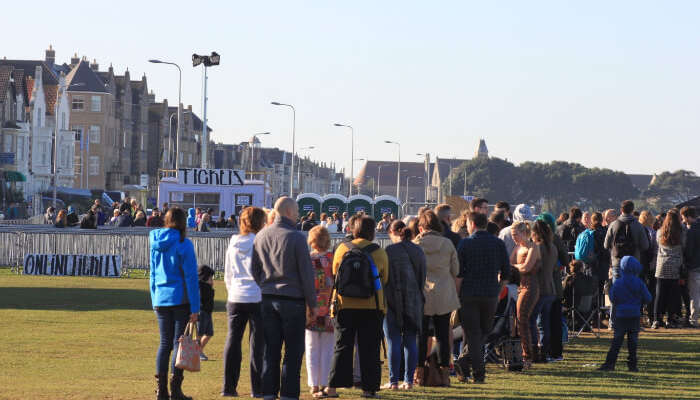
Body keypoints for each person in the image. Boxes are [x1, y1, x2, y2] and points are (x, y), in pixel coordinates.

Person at [252, 197, 317, 400]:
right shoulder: (297, 238)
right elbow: (307, 274)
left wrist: (264, 285)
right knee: (293, 352)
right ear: (289, 212)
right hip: (293, 300)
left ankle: (269, 393)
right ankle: (288, 394)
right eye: (296, 211)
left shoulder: (261, 236)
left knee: (270, 351)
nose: (298, 215)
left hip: (267, 298)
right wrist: (312, 304)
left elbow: (254, 270)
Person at [327, 216, 388, 398]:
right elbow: (384, 278)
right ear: (372, 231)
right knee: (369, 348)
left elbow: (335, 272)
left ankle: (332, 388)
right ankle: (369, 389)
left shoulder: (342, 249)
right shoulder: (379, 252)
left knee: (342, 346)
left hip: (344, 304)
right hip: (372, 305)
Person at [149, 207, 200, 400]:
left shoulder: (155, 240)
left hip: (161, 298)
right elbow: (191, 278)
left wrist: (154, 298)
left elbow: (153, 273)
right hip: (180, 299)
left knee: (164, 344)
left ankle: (161, 390)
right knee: (179, 343)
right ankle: (175, 389)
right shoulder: (184, 244)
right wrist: (195, 308)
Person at [456, 211, 510, 383]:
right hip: (490, 294)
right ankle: (473, 370)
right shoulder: (498, 244)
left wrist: (457, 295)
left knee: (473, 334)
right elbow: (506, 272)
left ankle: (467, 364)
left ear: (471, 224)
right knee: (484, 332)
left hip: (469, 293)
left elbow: (459, 274)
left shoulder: (465, 244)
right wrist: (498, 288)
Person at [222, 207, 266, 397]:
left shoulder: (233, 243)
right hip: (257, 295)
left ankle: (229, 387)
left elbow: (227, 274)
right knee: (257, 345)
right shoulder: (260, 242)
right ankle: (257, 388)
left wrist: (232, 290)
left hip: (236, 295)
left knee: (233, 340)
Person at [413, 210, 460, 387]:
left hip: (422, 294)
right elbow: (456, 270)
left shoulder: (416, 244)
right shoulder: (447, 244)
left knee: (421, 335)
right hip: (444, 294)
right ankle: (444, 375)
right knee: (442, 336)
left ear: (421, 227)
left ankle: (419, 373)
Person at [382, 220, 426, 390]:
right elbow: (422, 276)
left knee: (393, 340)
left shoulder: (389, 251)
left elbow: (384, 276)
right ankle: (408, 381)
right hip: (413, 300)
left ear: (394, 233)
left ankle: (393, 381)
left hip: (391, 300)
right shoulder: (418, 250)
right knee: (410, 341)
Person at [598, 256, 652, 372]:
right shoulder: (639, 283)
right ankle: (632, 365)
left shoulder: (618, 283)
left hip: (621, 316)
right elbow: (648, 298)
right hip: (634, 315)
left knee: (617, 341)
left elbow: (612, 297)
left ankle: (610, 363)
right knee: (633, 342)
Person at [304, 226, 337, 398]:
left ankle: (313, 384)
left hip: (311, 308)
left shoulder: (308, 260)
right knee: (328, 348)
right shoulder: (333, 259)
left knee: (311, 348)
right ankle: (325, 382)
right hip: (330, 309)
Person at [536, 212, 569, 362]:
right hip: (554, 285)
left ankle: (547, 351)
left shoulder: (539, 241)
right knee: (554, 320)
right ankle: (555, 352)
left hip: (545, 285)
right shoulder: (556, 239)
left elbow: (564, 260)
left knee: (544, 321)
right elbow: (565, 259)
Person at [511, 221, 541, 369]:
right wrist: (517, 267)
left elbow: (526, 267)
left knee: (522, 318)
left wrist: (515, 267)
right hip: (520, 286)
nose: (513, 238)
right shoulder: (518, 247)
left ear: (524, 233)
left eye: (515, 234)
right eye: (512, 235)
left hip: (530, 287)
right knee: (524, 320)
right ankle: (531, 352)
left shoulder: (533, 247)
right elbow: (510, 265)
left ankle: (527, 355)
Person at [652, 210, 684, 329]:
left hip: (661, 265)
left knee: (659, 294)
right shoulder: (681, 232)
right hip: (675, 265)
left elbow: (657, 244)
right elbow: (684, 246)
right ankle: (670, 319)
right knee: (672, 294)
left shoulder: (660, 232)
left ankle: (657, 318)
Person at [531, 220, 557, 362]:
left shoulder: (538, 248)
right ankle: (544, 352)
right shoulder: (552, 247)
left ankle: (534, 350)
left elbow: (535, 268)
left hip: (539, 289)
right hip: (550, 288)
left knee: (531, 320)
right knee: (544, 323)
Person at [604, 201, 650, 280]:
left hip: (617, 262)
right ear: (632, 210)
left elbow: (605, 245)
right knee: (632, 289)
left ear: (621, 210)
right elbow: (645, 246)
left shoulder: (613, 225)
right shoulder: (638, 226)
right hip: (633, 262)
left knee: (618, 289)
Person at [681, 206, 700, 328]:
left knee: (694, 295)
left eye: (683, 217)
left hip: (694, 266)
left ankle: (694, 319)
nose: (682, 220)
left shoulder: (691, 231)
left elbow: (689, 250)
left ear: (688, 217)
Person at [197, 265, 215, 361]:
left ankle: (199, 350)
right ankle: (197, 352)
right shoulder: (200, 286)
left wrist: (210, 286)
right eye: (210, 277)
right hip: (202, 312)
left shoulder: (207, 286)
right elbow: (202, 298)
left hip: (208, 312)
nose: (211, 280)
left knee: (209, 333)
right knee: (199, 334)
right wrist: (209, 287)